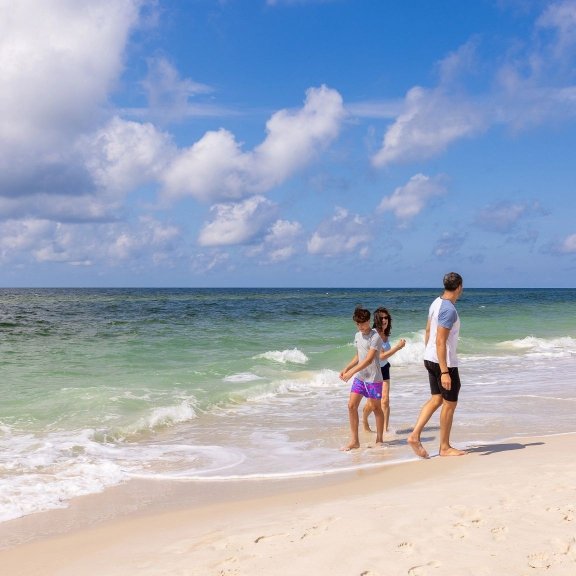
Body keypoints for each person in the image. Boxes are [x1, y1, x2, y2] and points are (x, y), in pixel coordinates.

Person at [407, 272, 467, 458]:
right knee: (449, 403)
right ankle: (444, 447)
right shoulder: (449, 310)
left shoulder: (436, 302)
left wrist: (428, 354)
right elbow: (441, 341)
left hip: (430, 357)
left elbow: (427, 330)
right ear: (459, 287)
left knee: (436, 399)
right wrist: (444, 372)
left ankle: (415, 435)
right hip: (444, 363)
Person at [339, 306, 384, 451]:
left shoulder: (375, 336)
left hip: (374, 379)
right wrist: (347, 367)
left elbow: (369, 359)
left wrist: (351, 372)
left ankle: (379, 439)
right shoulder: (358, 335)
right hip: (360, 378)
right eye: (358, 324)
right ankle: (354, 441)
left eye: (363, 324)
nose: (361, 327)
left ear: (369, 321)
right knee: (351, 406)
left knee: (377, 408)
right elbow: (359, 355)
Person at [362, 307, 406, 434]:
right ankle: (364, 420)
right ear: (377, 319)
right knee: (372, 403)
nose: (384, 320)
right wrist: (397, 347)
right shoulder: (375, 334)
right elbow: (381, 356)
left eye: (386, 317)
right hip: (373, 370)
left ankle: (384, 430)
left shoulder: (385, 333)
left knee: (385, 399)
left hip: (385, 368)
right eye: (381, 318)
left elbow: (384, 358)